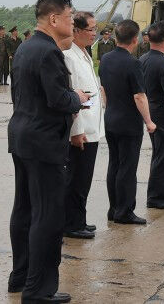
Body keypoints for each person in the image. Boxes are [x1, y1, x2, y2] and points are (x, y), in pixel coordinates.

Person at [7, 0, 84, 303]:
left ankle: (21, 277)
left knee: (24, 208)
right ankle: (38, 290)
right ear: (54, 20)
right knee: (48, 215)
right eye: (69, 17)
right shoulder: (50, 52)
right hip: (43, 140)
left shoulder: (26, 48)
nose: (72, 22)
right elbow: (57, 99)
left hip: (23, 136)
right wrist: (77, 97)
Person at [98, 19, 156, 224]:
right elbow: (139, 96)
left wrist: (109, 106)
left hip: (111, 117)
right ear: (135, 39)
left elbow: (103, 87)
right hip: (128, 122)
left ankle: (114, 208)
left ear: (115, 37)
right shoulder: (133, 63)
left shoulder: (105, 59)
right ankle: (125, 211)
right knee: (127, 167)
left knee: (114, 164)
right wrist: (149, 121)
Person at [62, 12, 104, 240]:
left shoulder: (84, 55)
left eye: (95, 29)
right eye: (90, 29)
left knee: (84, 178)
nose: (94, 33)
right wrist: (76, 131)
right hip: (81, 131)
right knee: (76, 179)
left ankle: (80, 219)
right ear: (76, 31)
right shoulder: (69, 56)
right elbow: (73, 97)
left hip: (93, 128)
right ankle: (71, 223)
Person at [139, 21, 164, 209]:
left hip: (151, 112)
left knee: (159, 154)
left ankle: (161, 194)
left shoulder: (143, 59)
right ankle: (157, 197)